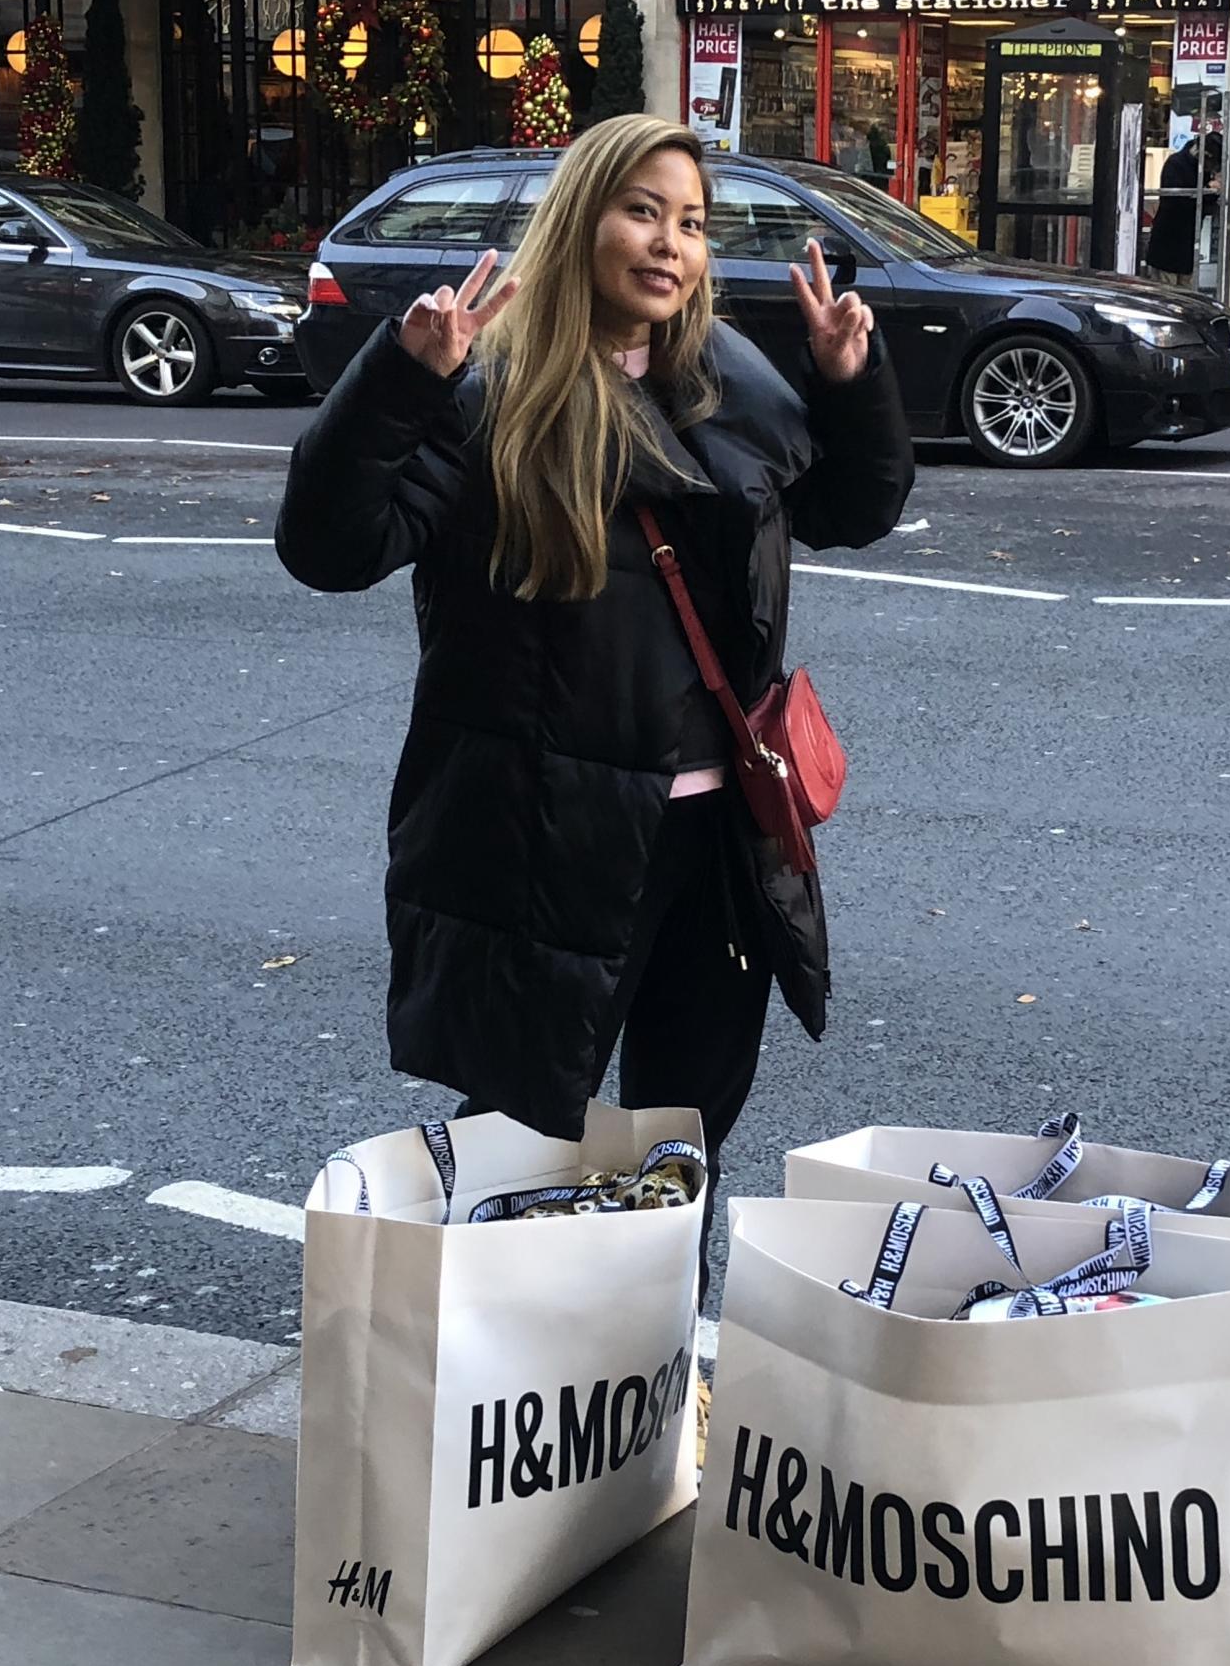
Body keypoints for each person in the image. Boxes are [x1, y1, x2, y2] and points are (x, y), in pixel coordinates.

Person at [275, 116, 912, 1213]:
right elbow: (329, 550)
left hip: (719, 840)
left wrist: (851, 382)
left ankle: (653, 1383)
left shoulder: (733, 380)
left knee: (682, 1149)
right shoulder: (491, 394)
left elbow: (848, 512)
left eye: (694, 223)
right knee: (519, 1146)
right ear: (581, 223)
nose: (672, 243)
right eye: (643, 211)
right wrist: (402, 380)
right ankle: (506, 1379)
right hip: (543, 838)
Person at [1145, 132, 1221, 287]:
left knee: (1185, 295)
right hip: (1168, 242)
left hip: (1187, 243)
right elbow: (1175, 203)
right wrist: (1207, 190)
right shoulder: (1176, 164)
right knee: (1165, 294)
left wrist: (1211, 192)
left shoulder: (1198, 168)